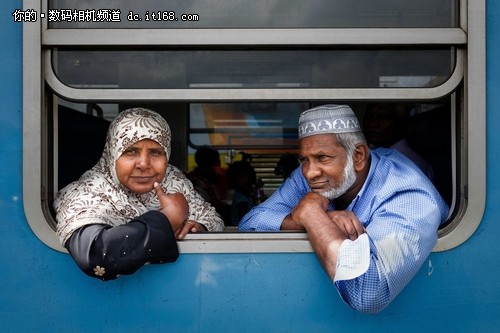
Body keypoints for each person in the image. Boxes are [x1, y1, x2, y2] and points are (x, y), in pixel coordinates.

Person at [239, 104, 449, 314]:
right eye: (304, 159)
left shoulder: (407, 194)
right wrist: (314, 219)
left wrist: (312, 214)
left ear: (357, 156)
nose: (310, 172)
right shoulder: (312, 176)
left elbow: (368, 294)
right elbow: (250, 224)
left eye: (322, 158)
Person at [54, 108, 224, 281]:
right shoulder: (83, 193)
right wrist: (168, 219)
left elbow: (213, 219)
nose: (144, 164)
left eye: (155, 152)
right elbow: (97, 256)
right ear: (113, 154)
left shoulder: (174, 181)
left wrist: (199, 228)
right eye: (131, 151)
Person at [363, 103, 434, 181]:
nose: (372, 123)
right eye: (369, 117)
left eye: (383, 117)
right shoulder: (373, 154)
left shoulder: (408, 164)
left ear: (401, 123)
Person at [226, 159, 257, 226]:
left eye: (248, 177)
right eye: (242, 177)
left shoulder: (245, 195)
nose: (247, 180)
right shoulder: (240, 198)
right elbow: (243, 220)